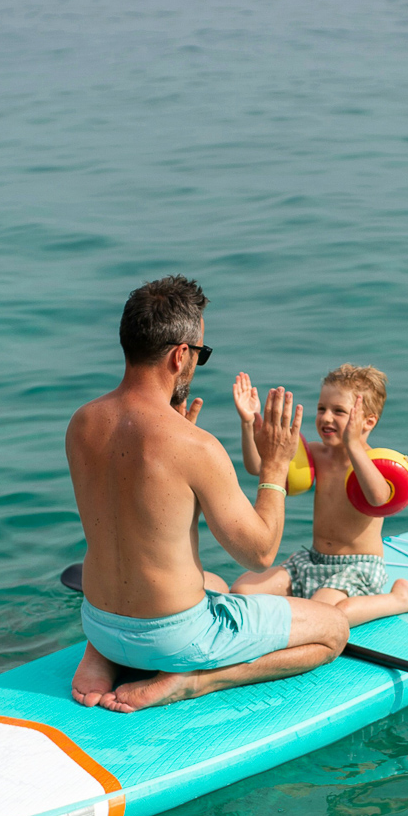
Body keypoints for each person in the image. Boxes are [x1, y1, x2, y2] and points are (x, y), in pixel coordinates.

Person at [65, 276, 348, 713]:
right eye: (201, 353)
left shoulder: (81, 424)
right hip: (174, 640)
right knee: (334, 631)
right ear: (181, 355)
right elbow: (258, 554)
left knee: (213, 584)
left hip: (100, 622)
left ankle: (100, 655)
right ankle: (196, 680)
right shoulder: (195, 448)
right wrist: (273, 467)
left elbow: (135, 514)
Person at [230, 363, 408, 624]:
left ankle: (402, 598)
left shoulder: (372, 462)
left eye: (339, 411)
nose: (326, 418)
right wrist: (249, 421)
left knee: (322, 616)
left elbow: (378, 497)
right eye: (322, 408)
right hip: (312, 560)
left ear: (368, 422)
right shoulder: (316, 454)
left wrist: (353, 444)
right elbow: (258, 467)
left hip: (358, 567)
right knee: (241, 591)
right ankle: (303, 606)